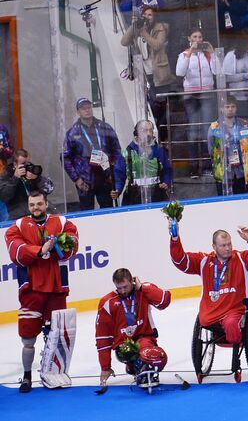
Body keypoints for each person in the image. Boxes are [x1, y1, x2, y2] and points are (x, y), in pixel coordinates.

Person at [168, 218, 248, 382]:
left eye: (229, 244)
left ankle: (236, 361)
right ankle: (202, 368)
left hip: (234, 310)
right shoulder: (204, 261)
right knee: (204, 320)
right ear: (214, 247)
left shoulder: (242, 259)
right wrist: (175, 238)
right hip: (210, 313)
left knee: (231, 324)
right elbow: (180, 261)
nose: (228, 248)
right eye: (223, 245)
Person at [5, 191, 79, 392]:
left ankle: (52, 373)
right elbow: (15, 251)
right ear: (28, 206)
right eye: (32, 205)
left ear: (46, 204)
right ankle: (27, 375)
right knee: (28, 339)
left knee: (54, 336)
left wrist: (58, 247)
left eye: (39, 204)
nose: (35, 207)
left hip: (56, 289)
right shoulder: (18, 226)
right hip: (31, 291)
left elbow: (73, 243)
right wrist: (40, 250)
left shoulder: (62, 222)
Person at [95, 268, 171, 387]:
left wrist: (142, 288)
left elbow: (164, 301)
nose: (123, 291)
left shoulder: (144, 290)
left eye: (125, 286)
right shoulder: (107, 302)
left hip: (145, 338)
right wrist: (105, 367)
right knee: (132, 356)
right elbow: (102, 336)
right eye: (119, 288)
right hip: (123, 345)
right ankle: (133, 366)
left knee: (156, 356)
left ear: (132, 281)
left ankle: (143, 367)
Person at [60, 97, 122, 210]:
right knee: (86, 211)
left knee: (107, 211)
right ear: (78, 112)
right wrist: (76, 179)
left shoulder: (105, 127)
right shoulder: (72, 133)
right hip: (85, 180)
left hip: (105, 177)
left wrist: (113, 173)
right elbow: (65, 158)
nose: (87, 110)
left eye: (89, 107)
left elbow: (117, 151)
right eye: (83, 108)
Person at [119, 119, 172, 207]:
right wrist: (118, 189)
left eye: (150, 130)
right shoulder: (127, 152)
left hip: (157, 195)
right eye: (145, 130)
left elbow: (167, 170)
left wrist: (166, 182)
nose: (148, 133)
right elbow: (119, 173)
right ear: (137, 133)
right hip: (134, 196)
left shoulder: (159, 151)